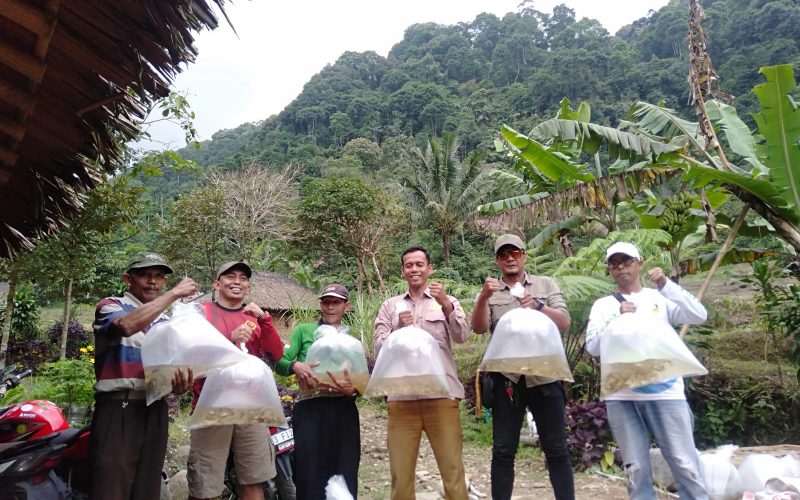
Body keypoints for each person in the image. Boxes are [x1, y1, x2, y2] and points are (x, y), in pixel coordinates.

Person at [586, 241, 708, 500]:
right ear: (609, 270)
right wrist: (616, 315)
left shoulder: (658, 298)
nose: (621, 268)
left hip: (665, 391)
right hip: (621, 394)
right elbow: (593, 347)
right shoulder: (603, 305)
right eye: (614, 264)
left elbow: (698, 315)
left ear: (639, 264)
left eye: (627, 262)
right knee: (636, 469)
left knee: (684, 462)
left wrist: (666, 285)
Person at [471, 234, 575, 500]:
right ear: (497, 261)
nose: (510, 258)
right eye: (504, 255)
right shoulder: (491, 292)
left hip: (545, 377)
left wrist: (539, 305)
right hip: (508, 381)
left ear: (524, 256)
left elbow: (564, 322)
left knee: (556, 449)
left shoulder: (544, 284)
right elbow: (479, 328)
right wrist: (483, 297)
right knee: (503, 450)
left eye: (515, 253)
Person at [90, 252, 198, 500]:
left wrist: (178, 385)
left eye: (159, 277)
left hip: (155, 409)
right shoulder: (111, 305)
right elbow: (126, 326)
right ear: (128, 279)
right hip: (119, 407)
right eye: (145, 275)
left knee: (147, 488)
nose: (153, 282)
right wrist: (173, 295)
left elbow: (169, 368)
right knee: (111, 488)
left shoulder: (166, 322)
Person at [374, 246, 469, 500]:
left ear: (429, 268)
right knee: (401, 477)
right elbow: (378, 349)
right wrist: (397, 328)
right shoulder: (390, 306)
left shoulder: (446, 302)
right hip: (401, 400)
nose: (414, 269)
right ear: (403, 271)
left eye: (419, 264)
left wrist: (447, 304)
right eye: (409, 265)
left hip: (442, 396)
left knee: (453, 472)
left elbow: (462, 336)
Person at [187, 260, 285, 500]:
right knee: (204, 485)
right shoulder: (203, 313)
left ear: (248, 286)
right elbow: (192, 356)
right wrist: (229, 338)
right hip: (211, 408)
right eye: (230, 277)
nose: (237, 282)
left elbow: (276, 354)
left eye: (243, 278)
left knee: (253, 479)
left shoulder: (254, 316)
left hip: (251, 409)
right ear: (217, 283)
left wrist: (265, 318)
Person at [275, 283, 361, 500]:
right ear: (321, 305)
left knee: (345, 464)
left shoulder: (351, 341)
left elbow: (361, 382)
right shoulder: (304, 331)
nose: (331, 307)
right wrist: (297, 366)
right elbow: (279, 361)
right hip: (310, 408)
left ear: (346, 306)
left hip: (343, 409)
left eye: (336, 302)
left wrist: (352, 390)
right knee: (309, 468)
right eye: (326, 302)